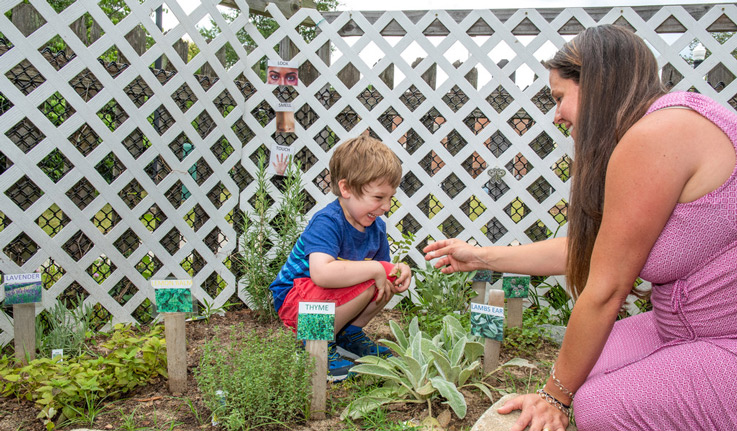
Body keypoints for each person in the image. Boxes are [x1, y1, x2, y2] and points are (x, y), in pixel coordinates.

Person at [424, 24, 737, 431]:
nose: (557, 116)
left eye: (559, 98)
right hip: (678, 327)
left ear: (598, 83)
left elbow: (607, 288)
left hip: (723, 339)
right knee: (576, 369)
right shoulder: (664, 124)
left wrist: (555, 396)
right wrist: (478, 256)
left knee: (597, 405)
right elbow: (589, 249)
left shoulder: (658, 135)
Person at [270, 135, 412, 381]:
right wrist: (377, 269)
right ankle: (313, 344)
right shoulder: (328, 221)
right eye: (378, 197)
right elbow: (322, 273)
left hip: (324, 299)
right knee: (372, 276)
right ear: (345, 188)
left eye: (391, 197)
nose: (386, 206)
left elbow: (383, 269)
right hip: (295, 302)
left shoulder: (375, 228)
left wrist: (398, 270)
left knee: (383, 279)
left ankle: (348, 334)